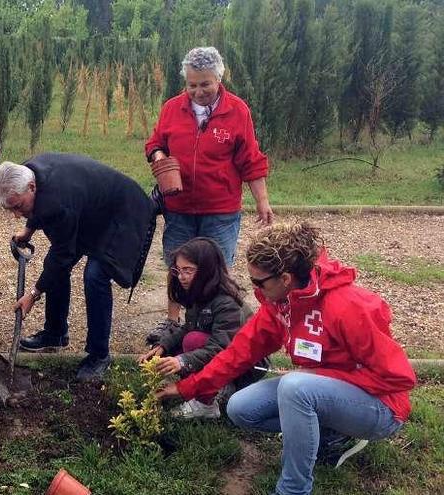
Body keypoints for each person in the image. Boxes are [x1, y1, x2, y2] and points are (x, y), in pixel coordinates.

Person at [155, 223, 416, 495]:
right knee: (240, 408)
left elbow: (398, 378)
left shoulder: (347, 305)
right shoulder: (281, 304)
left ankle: (293, 489)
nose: (255, 289)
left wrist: (316, 378)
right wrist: (188, 387)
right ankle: (332, 435)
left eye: (259, 282)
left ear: (286, 278)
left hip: (382, 408)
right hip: (320, 391)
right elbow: (237, 353)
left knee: (295, 387)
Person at [144, 46, 273, 342]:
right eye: (192, 85)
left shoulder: (237, 111)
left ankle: (215, 323)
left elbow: (250, 160)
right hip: (179, 206)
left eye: (205, 84)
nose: (198, 91)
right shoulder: (172, 108)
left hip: (220, 209)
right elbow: (154, 142)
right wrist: (159, 155)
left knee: (217, 268)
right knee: (178, 267)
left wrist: (262, 201)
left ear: (218, 79)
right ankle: (173, 322)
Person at [0, 156, 154, 382]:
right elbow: (42, 213)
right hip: (90, 209)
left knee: (95, 275)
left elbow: (63, 254)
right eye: (11, 210)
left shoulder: (57, 201)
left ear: (32, 187)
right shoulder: (26, 172)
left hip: (123, 213)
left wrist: (33, 294)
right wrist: (29, 230)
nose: (16, 215)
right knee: (56, 268)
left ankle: (99, 355)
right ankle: (55, 333)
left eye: (18, 207)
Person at [138, 237, 264, 419]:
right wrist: (163, 346)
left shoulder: (226, 302)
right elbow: (188, 326)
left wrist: (181, 361)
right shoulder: (200, 291)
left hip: (247, 367)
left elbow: (221, 349)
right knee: (181, 344)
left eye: (188, 270)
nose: (181, 276)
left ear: (206, 270)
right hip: (226, 355)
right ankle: (208, 386)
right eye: (178, 270)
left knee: (193, 341)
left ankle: (207, 403)